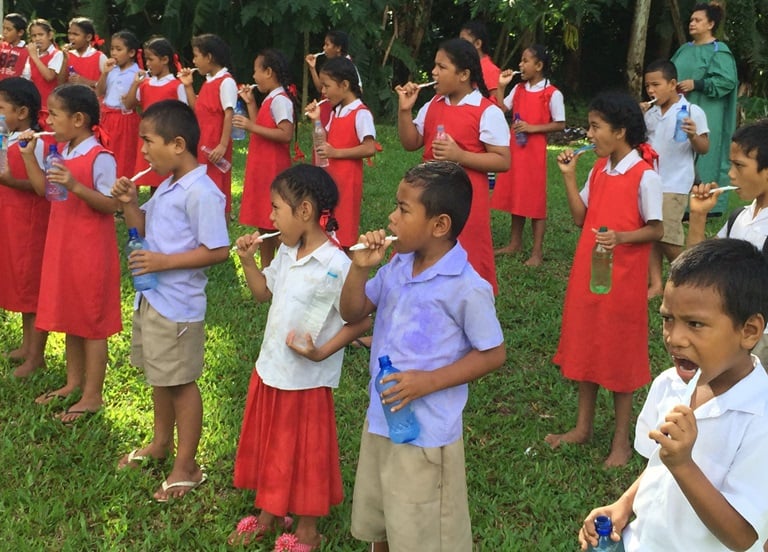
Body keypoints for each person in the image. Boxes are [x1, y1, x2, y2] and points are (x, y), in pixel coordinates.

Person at [340, 161, 506, 552]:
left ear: (439, 225)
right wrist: (359, 271)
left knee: (420, 534)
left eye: (403, 209)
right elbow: (353, 312)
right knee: (383, 523)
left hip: (428, 436)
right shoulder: (397, 266)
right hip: (382, 421)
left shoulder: (466, 287)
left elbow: (494, 353)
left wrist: (426, 382)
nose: (391, 217)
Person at [579, 238, 768, 552]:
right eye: (668, 319)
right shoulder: (673, 384)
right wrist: (624, 505)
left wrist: (684, 465)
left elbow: (743, 537)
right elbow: (658, 465)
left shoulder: (760, 417)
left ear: (748, 331)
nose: (674, 338)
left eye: (695, 324)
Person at [228, 165, 370, 550]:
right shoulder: (287, 251)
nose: (271, 217)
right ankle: (270, 513)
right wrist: (246, 261)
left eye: (276, 209)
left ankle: (307, 528)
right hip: (271, 369)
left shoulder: (338, 265)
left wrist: (323, 350)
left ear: (304, 211)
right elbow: (263, 294)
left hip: (307, 380)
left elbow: (361, 319)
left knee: (305, 453)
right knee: (273, 444)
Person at [111, 100, 229, 501]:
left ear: (178, 144)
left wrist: (163, 261)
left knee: (181, 383)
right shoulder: (167, 186)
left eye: (148, 141)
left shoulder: (202, 192)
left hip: (179, 305)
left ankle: (187, 466)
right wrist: (129, 203)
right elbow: (140, 228)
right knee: (160, 376)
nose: (142, 150)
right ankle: (161, 443)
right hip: (153, 301)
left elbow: (217, 250)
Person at [546, 91, 663, 467]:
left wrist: (621, 237)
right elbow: (582, 218)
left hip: (624, 281)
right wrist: (568, 177)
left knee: (619, 357)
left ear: (621, 130)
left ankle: (621, 442)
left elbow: (657, 230)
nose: (590, 134)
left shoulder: (645, 176)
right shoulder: (599, 170)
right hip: (589, 273)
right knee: (587, 345)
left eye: (596, 127)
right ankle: (583, 428)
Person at [19, 83, 121, 423]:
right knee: (71, 316)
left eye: (55, 114)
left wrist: (76, 186)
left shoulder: (100, 157)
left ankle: (93, 395)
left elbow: (111, 205)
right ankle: (73, 382)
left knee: (92, 322)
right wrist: (25, 155)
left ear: (78, 119)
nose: (48, 119)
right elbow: (45, 192)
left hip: (91, 248)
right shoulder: (62, 151)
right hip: (63, 245)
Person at [396, 38, 510, 294]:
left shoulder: (486, 111)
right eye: (434, 66)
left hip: (466, 202)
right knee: (427, 250)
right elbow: (410, 142)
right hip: (428, 196)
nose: (433, 73)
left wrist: (460, 155)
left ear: (464, 74)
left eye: (441, 67)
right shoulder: (433, 105)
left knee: (465, 260)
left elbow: (503, 160)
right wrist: (405, 111)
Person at [688, 119, 768, 368]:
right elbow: (696, 269)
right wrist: (698, 216)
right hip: (734, 335)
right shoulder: (740, 217)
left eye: (739, 166)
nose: (731, 174)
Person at [492, 44, 565, 265]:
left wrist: (532, 128)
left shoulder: (552, 94)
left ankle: (537, 251)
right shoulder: (519, 89)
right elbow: (501, 108)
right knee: (518, 193)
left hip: (534, 154)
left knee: (535, 199)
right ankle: (515, 243)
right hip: (516, 149)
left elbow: (560, 124)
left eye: (525, 61)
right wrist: (501, 86)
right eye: (521, 61)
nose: (520, 65)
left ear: (539, 65)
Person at [643, 59, 709, 298]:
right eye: (648, 86)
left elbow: (704, 147)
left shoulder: (692, 112)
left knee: (667, 234)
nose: (651, 90)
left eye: (656, 84)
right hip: (650, 181)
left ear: (672, 84)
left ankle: (688, 275)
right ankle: (656, 284)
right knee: (651, 231)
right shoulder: (650, 113)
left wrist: (693, 136)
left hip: (675, 183)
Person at [0, 78, 51, 377]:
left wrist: (8, 182)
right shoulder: (7, 138)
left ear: (21, 112)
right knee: (20, 283)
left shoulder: (36, 142)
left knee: (31, 288)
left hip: (31, 223)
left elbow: (40, 187)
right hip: (11, 220)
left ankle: (37, 355)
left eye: (1, 108)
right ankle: (26, 345)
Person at [671, 1, 737, 217]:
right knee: (677, 151)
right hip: (680, 111)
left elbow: (726, 81)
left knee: (705, 155)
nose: (692, 23)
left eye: (698, 20)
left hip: (709, 113)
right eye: (691, 19)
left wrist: (697, 84)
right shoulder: (684, 50)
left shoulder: (720, 51)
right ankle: (674, 199)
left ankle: (704, 204)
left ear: (710, 24)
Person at [306, 56, 377, 249]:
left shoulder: (361, 113)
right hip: (330, 180)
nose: (323, 92)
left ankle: (348, 273)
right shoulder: (337, 111)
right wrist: (316, 121)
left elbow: (369, 147)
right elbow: (325, 139)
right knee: (327, 228)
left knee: (344, 232)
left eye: (327, 86)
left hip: (347, 183)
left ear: (344, 85)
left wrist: (336, 153)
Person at [235, 49, 296, 266]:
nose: (253, 77)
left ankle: (285, 265)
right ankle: (268, 269)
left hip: (274, 168)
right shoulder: (270, 99)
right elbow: (262, 127)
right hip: (262, 167)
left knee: (275, 223)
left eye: (256, 71)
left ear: (268, 72)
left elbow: (285, 133)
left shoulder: (280, 100)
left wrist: (250, 126)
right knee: (264, 220)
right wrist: (251, 104)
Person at [179, 33, 237, 216]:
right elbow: (198, 110)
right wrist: (188, 86)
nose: (194, 61)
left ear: (209, 57)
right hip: (203, 145)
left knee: (217, 190)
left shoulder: (226, 81)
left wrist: (222, 144)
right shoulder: (207, 83)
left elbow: (229, 114)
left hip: (215, 147)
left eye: (196, 56)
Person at [122, 37, 187, 188]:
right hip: (148, 136)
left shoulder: (176, 86)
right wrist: (135, 84)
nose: (148, 64)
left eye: (151, 59)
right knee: (148, 175)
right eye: (146, 60)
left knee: (163, 179)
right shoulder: (145, 84)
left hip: (167, 137)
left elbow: (184, 114)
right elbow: (129, 104)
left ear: (164, 60)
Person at [95, 31, 140, 178]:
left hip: (125, 119)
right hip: (107, 118)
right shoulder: (111, 70)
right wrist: (105, 73)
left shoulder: (137, 73)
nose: (114, 53)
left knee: (123, 157)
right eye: (112, 49)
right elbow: (99, 92)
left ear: (131, 52)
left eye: (119, 49)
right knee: (105, 154)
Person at [304, 30, 361, 127]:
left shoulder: (347, 67)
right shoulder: (332, 66)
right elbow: (320, 89)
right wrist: (312, 68)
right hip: (329, 111)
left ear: (338, 48)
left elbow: (358, 91)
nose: (324, 48)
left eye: (327, 45)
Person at [24, 19, 64, 130]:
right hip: (35, 106)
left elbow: (49, 76)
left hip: (49, 107)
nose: (37, 39)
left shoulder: (57, 54)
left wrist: (34, 57)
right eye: (34, 36)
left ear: (50, 35)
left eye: (41, 35)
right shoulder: (32, 56)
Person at [459, 20, 501, 102]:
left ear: (478, 43)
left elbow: (496, 104)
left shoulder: (491, 70)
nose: (460, 45)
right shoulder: (463, 65)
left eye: (464, 41)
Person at [62, 17, 107, 89]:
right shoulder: (67, 55)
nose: (71, 38)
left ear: (88, 37)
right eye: (69, 33)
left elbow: (110, 84)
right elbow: (60, 84)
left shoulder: (99, 57)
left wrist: (86, 82)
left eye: (75, 34)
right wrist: (64, 60)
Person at [0, 13, 29, 80]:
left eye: (9, 29)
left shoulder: (27, 51)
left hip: (14, 88)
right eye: (3, 28)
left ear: (20, 32)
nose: (4, 32)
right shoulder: (2, 46)